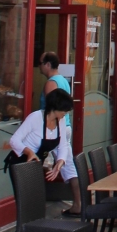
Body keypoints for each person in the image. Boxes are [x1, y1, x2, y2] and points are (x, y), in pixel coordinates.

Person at [6, 88, 74, 232]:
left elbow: (62, 146)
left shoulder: (59, 122)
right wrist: (29, 152)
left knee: (32, 213)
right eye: (64, 110)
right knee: (29, 211)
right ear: (55, 108)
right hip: (21, 165)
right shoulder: (35, 118)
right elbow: (14, 140)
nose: (65, 114)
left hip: (36, 167)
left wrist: (59, 163)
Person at [39, 51, 81, 216]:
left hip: (54, 129)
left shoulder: (51, 83)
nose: (39, 66)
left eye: (40, 63)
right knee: (69, 166)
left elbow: (51, 110)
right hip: (65, 127)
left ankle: (35, 205)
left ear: (47, 64)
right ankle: (78, 203)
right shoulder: (63, 80)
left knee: (41, 164)